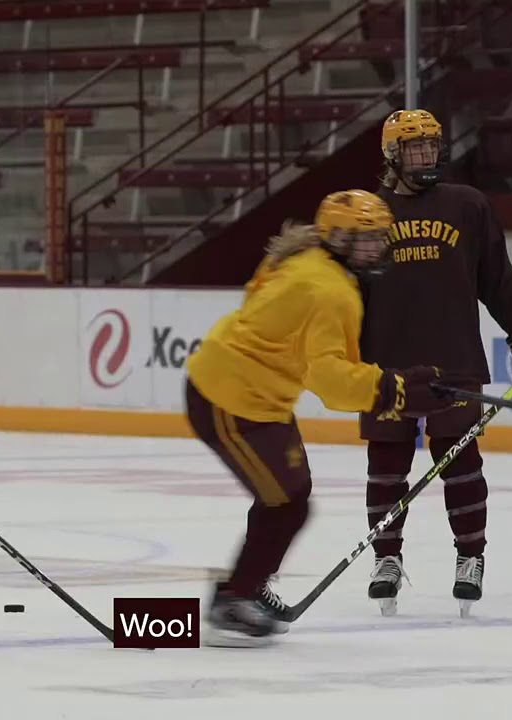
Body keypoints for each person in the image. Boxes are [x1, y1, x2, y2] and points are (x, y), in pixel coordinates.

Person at [185, 189, 464, 647]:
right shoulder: (331, 290)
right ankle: (231, 602)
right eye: (366, 238)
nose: (378, 247)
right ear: (338, 238)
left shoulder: (308, 257)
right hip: (228, 400)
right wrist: (399, 390)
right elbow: (331, 381)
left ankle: (245, 586)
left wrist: (402, 382)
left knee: (288, 496)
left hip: (257, 398)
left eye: (380, 237)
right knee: (287, 503)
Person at [360, 109, 512, 618]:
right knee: (386, 468)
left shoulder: (467, 205)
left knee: (462, 466)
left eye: (432, 146)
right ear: (392, 155)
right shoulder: (366, 213)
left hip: (454, 360)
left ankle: (470, 557)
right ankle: (386, 558)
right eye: (415, 148)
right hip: (387, 364)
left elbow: (498, 280)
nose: (426, 156)